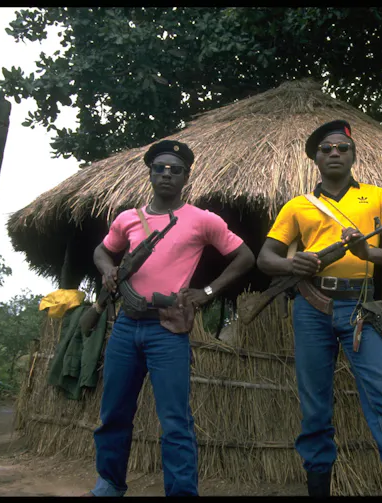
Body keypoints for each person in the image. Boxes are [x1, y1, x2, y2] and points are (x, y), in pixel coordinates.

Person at [256, 120, 382, 496]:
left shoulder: (377, 197)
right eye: (326, 149)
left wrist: (368, 252)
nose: (334, 153)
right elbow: (266, 257)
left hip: (361, 306)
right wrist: (292, 264)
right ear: (315, 158)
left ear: (353, 155)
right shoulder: (298, 205)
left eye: (342, 148)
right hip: (311, 307)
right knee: (314, 404)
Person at [85, 139, 255, 496]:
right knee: (113, 413)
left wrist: (207, 291)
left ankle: (181, 492)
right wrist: (107, 270)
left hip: (168, 329)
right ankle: (110, 484)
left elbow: (245, 257)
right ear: (150, 174)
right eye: (159, 168)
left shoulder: (202, 219)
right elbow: (102, 250)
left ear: (186, 177)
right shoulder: (128, 218)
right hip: (126, 326)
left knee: (175, 421)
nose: (166, 174)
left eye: (175, 170)